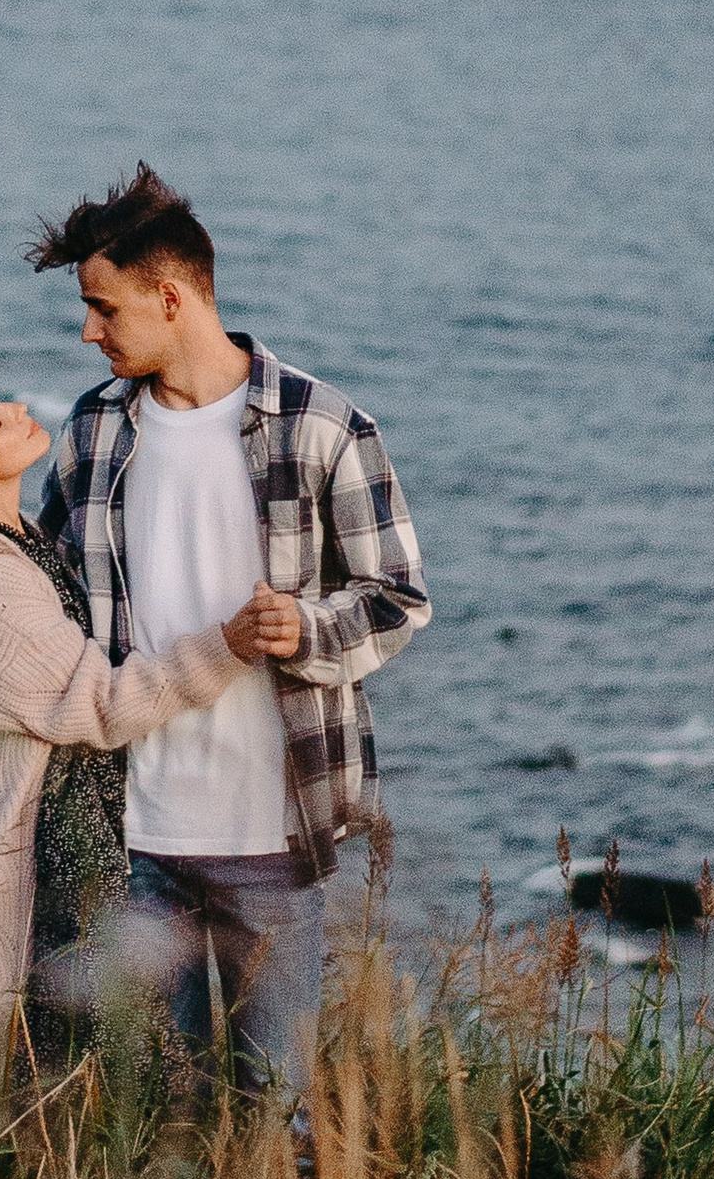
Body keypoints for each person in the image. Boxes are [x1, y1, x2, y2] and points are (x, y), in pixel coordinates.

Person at [29, 163, 430, 1118]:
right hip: (135, 835)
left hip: (274, 838)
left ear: (170, 298)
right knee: (153, 1112)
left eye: (102, 306)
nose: (88, 330)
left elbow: (399, 597)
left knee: (269, 1112)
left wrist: (307, 627)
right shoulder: (91, 433)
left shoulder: (323, 427)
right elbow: (46, 600)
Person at [0, 372, 250, 1147]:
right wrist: (224, 646)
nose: (21, 411)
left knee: (10, 1091)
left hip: (33, 852)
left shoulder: (15, 542)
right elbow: (98, 702)